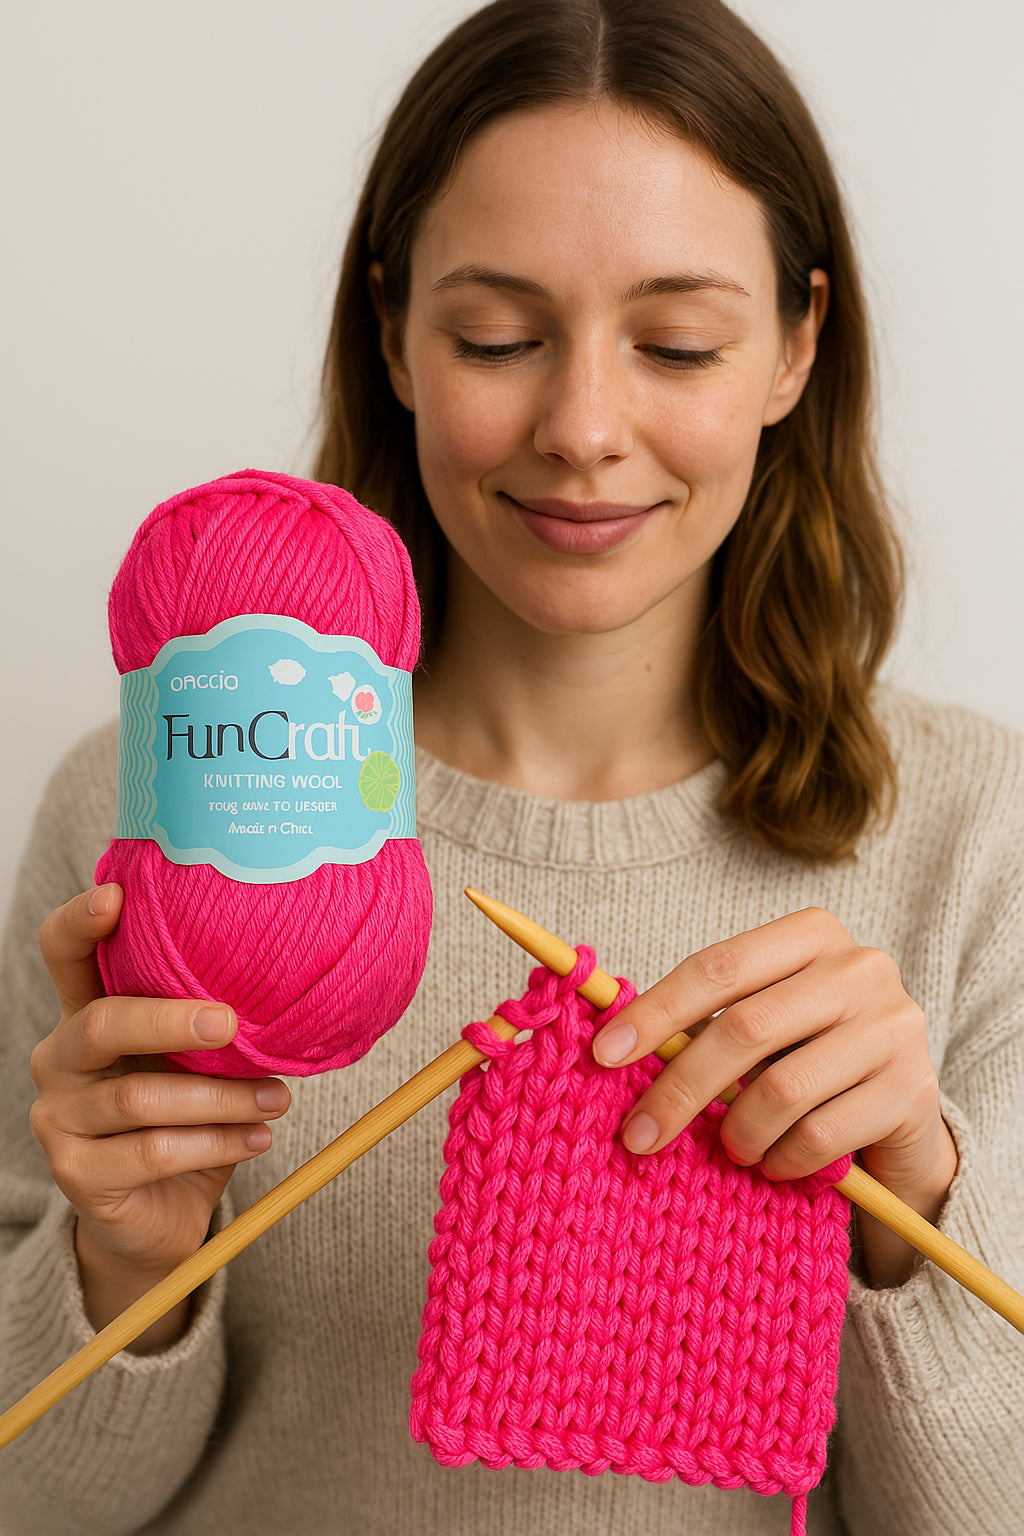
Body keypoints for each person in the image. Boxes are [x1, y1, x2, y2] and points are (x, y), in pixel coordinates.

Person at [1, 1, 1022, 1532]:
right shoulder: (165, 803)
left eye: (677, 342)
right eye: (497, 338)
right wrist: (126, 1269)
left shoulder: (968, 833)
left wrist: (916, 1207)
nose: (584, 427)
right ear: (395, 331)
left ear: (799, 349)